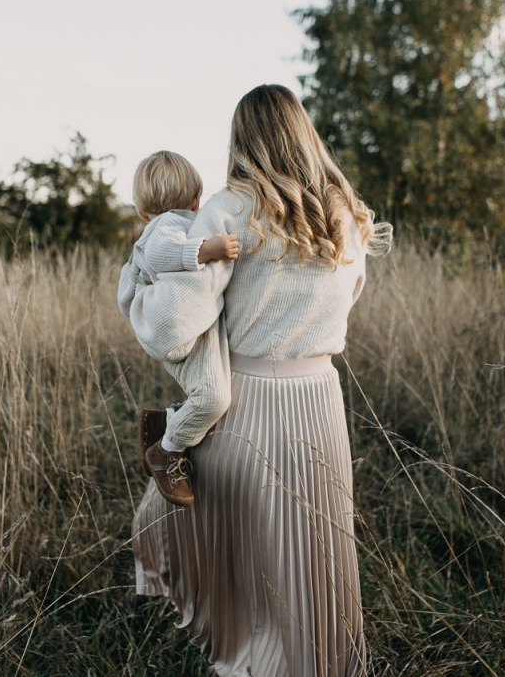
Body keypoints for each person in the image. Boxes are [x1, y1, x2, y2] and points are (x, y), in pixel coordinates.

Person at [129, 84, 390, 676]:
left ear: (242, 139)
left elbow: (174, 326)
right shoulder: (346, 216)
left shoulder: (227, 211)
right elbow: (348, 296)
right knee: (314, 557)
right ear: (304, 134)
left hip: (244, 404)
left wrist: (141, 296)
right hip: (320, 401)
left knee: (240, 552)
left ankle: (251, 661)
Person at [118, 150, 241, 506]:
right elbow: (161, 255)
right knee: (214, 398)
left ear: (141, 209)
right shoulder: (167, 225)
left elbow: (129, 293)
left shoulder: (170, 226)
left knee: (211, 392)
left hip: (191, 326)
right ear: (195, 200)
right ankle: (166, 451)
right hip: (180, 330)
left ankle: (171, 418)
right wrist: (206, 250)